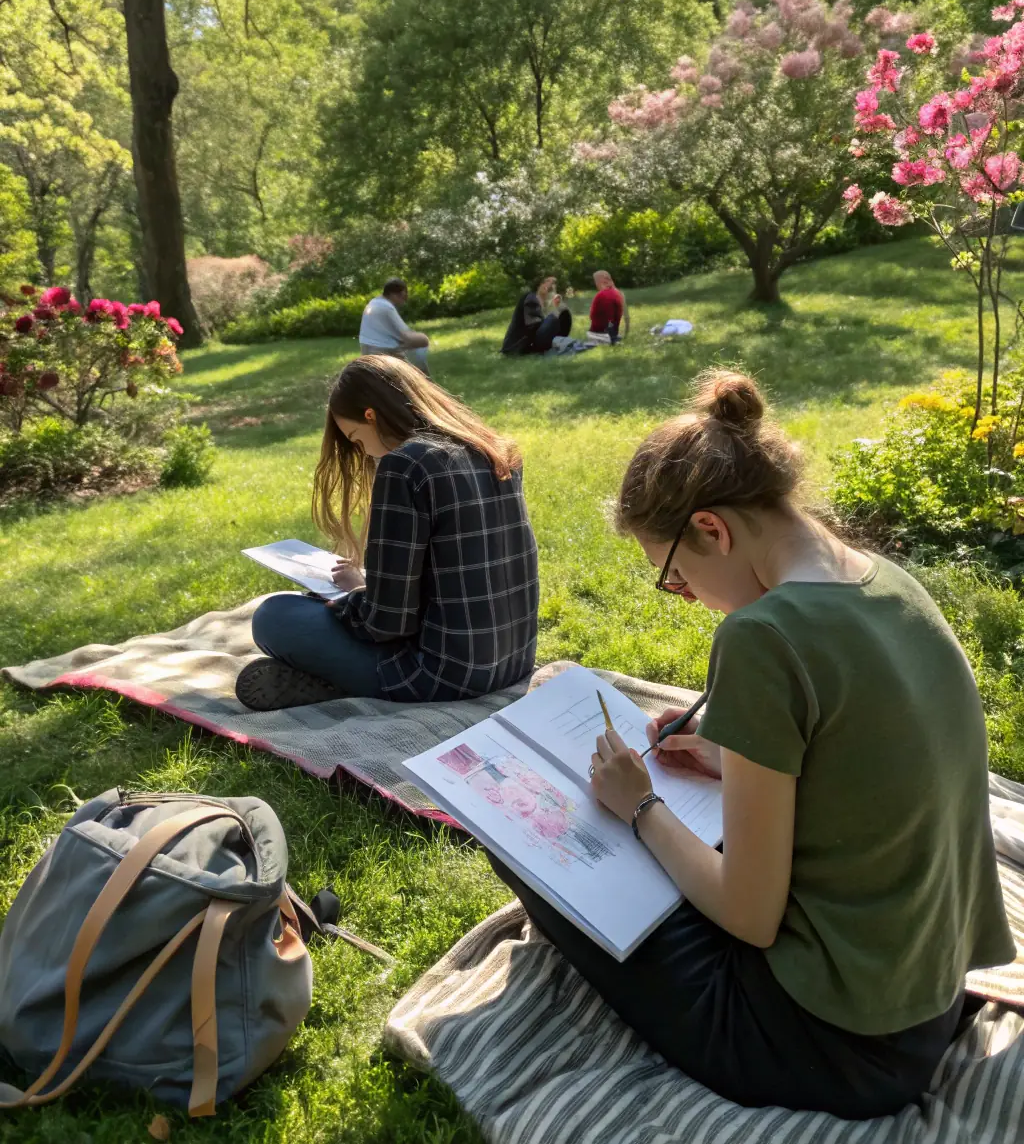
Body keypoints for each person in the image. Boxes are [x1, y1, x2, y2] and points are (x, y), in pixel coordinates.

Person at [489, 369, 1013, 1120]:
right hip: (926, 997)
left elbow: (751, 915)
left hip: (829, 1037)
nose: (688, 599)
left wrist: (640, 807)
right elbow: (859, 748)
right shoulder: (891, 582)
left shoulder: (764, 636)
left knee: (521, 835)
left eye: (674, 580)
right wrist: (725, 754)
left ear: (711, 529)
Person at [237, 356, 539, 709]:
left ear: (371, 415)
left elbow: (386, 624)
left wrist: (350, 599)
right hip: (512, 662)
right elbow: (459, 575)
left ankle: (336, 684)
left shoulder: (406, 464)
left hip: (440, 677)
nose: (361, 453)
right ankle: (330, 682)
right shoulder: (492, 449)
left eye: (355, 439)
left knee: (275, 616)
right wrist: (367, 587)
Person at [359, 278, 430, 374]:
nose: (404, 300)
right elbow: (408, 337)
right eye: (402, 296)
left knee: (408, 351)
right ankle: (425, 382)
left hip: (369, 352)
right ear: (393, 294)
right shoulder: (386, 307)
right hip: (381, 355)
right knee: (420, 346)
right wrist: (424, 338)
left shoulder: (374, 302)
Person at [501, 276, 572, 355]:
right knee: (554, 317)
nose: (550, 285)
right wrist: (554, 313)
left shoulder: (544, 301)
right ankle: (556, 343)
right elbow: (532, 325)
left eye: (553, 283)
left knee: (564, 314)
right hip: (516, 347)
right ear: (539, 284)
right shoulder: (530, 298)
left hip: (532, 341)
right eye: (547, 281)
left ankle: (560, 341)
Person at [588, 269, 628, 343]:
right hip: (613, 332)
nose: (596, 284)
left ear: (602, 282)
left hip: (600, 334)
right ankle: (612, 337)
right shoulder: (618, 293)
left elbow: (593, 316)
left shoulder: (601, 295)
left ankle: (609, 338)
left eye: (596, 282)